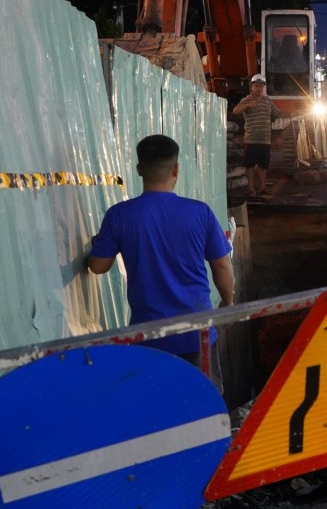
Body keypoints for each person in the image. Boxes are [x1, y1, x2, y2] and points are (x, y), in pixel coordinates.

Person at [88, 134, 235, 371]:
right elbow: (222, 266)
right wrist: (227, 303)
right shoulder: (200, 213)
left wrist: (98, 245)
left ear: (138, 169)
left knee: (155, 405)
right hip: (197, 333)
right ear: (176, 169)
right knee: (203, 404)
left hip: (148, 336)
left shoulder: (119, 215)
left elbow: (98, 266)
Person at [232, 74, 283, 201]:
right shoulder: (247, 99)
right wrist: (248, 106)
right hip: (251, 139)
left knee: (263, 166)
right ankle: (251, 189)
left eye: (261, 86)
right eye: (256, 86)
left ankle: (262, 187)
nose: (259, 89)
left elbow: (277, 113)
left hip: (265, 140)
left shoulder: (268, 101)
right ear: (252, 87)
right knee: (250, 166)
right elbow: (235, 111)